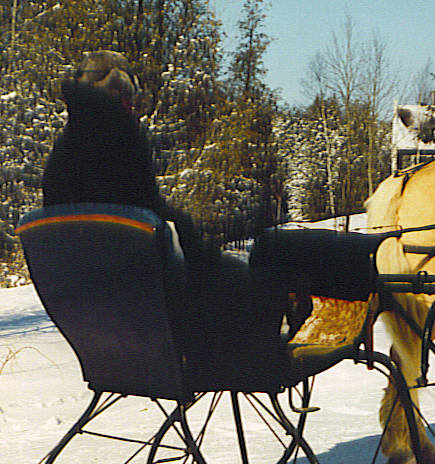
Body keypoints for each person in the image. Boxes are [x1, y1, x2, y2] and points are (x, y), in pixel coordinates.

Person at [42, 50, 288, 391]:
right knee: (256, 279)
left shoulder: (65, 153)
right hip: (161, 332)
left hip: (108, 344)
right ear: (122, 99)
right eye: (130, 99)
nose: (134, 108)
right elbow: (148, 226)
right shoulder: (121, 140)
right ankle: (264, 353)